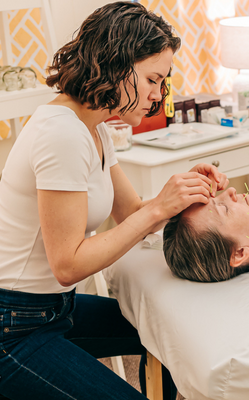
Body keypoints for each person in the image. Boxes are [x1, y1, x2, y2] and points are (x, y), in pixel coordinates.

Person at [0, 2, 228, 399]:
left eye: (163, 83)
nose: (158, 95)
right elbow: (69, 264)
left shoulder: (94, 128)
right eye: (153, 80)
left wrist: (181, 193)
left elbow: (132, 213)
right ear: (117, 64)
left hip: (55, 309)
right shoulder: (62, 134)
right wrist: (159, 207)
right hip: (13, 326)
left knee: (170, 336)